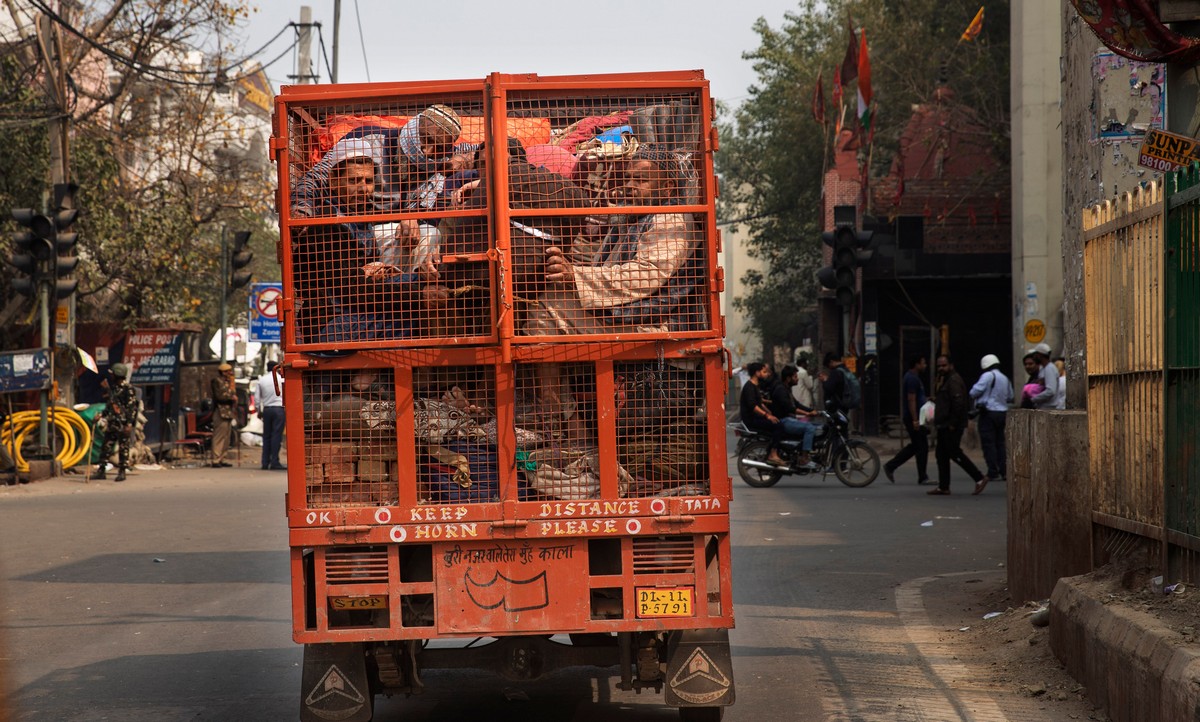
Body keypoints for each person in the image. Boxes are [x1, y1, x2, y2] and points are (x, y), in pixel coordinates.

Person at [531, 146, 703, 334]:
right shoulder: (632, 217)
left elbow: (646, 275)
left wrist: (576, 275)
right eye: (628, 178)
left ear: (667, 187)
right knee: (553, 296)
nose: (629, 185)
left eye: (640, 180)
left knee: (548, 308)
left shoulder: (672, 219)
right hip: (622, 314)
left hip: (653, 324)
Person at [291, 137, 444, 343]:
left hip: (350, 312)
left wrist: (420, 279)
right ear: (334, 183)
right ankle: (370, 376)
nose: (363, 189)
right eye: (354, 181)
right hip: (331, 324)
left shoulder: (361, 216)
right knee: (410, 316)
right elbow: (354, 292)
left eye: (369, 181)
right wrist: (418, 294)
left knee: (417, 289)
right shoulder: (328, 224)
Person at [927, 355, 986, 496]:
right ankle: (943, 486)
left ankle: (979, 478)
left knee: (954, 453)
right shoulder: (946, 380)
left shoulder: (953, 380)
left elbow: (958, 403)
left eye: (944, 365)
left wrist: (953, 423)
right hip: (944, 424)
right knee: (941, 455)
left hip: (950, 425)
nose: (941, 368)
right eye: (939, 366)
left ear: (951, 365)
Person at [883, 355, 930, 485]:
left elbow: (917, 398)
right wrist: (915, 420)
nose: (925, 365)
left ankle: (891, 466)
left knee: (917, 446)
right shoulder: (911, 379)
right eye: (923, 362)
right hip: (913, 418)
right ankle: (922, 477)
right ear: (917, 364)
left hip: (916, 417)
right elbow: (911, 399)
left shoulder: (914, 378)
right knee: (921, 446)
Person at [970, 354, 1014, 486]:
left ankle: (992, 471)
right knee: (1000, 442)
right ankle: (1004, 470)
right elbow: (1010, 396)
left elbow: (974, 392)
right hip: (1002, 412)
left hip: (988, 413)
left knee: (988, 443)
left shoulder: (987, 376)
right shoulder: (1005, 378)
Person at [95, 362, 138, 482]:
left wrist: (129, 424)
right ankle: (101, 470)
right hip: (113, 422)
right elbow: (110, 406)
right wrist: (101, 415)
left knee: (123, 448)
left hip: (123, 423)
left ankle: (122, 471)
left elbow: (132, 408)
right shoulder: (113, 389)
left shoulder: (128, 389)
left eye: (113, 374)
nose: (111, 376)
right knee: (106, 446)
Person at [739, 362, 787, 466]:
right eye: (764, 372)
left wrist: (770, 413)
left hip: (756, 417)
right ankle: (773, 454)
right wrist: (767, 416)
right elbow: (753, 406)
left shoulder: (755, 385)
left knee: (778, 421)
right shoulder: (749, 387)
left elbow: (760, 403)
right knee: (778, 426)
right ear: (757, 373)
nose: (767, 374)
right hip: (751, 419)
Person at [773, 365, 820, 468]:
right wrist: (807, 413)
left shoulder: (786, 388)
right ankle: (804, 458)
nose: (797, 379)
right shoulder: (780, 389)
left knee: (818, 426)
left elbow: (797, 404)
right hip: (784, 421)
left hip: (790, 419)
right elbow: (790, 408)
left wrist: (812, 410)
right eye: (795, 376)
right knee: (809, 428)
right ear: (788, 378)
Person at [256, 361, 286, 471]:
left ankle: (265, 462)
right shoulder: (281, 379)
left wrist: (259, 410)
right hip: (279, 409)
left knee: (266, 436)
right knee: (276, 436)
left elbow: (257, 398)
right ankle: (275, 462)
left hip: (267, 410)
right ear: (276, 368)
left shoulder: (261, 380)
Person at [210, 363, 237, 468]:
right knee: (219, 436)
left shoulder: (229, 382)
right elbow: (220, 396)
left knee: (226, 437)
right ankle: (215, 459)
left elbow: (233, 392)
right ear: (223, 372)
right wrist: (231, 397)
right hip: (221, 411)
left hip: (229, 412)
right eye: (228, 371)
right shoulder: (217, 381)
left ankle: (222, 457)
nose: (230, 373)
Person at [1029, 342, 1063, 410]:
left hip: (1048, 408)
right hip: (1043, 407)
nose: (1034, 357)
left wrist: (1033, 399)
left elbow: (1050, 391)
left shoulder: (1049, 368)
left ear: (1040, 355)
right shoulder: (1044, 368)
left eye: (1035, 355)